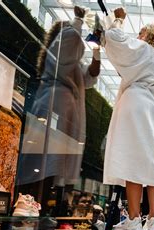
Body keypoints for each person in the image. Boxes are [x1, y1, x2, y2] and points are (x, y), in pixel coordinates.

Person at [102, 7, 154, 230]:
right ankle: (152, 218)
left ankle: (133, 218)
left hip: (136, 105)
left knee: (133, 162)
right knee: (152, 163)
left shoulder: (142, 49)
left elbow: (114, 39)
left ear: (148, 36)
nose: (138, 36)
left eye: (141, 33)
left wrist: (119, 20)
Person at [17, 6, 100, 189]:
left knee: (53, 160)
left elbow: (91, 75)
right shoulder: (59, 55)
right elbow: (69, 41)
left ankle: (39, 204)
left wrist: (97, 50)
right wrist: (78, 19)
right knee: (45, 156)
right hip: (54, 107)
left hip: (65, 112)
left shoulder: (72, 66)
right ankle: (28, 200)